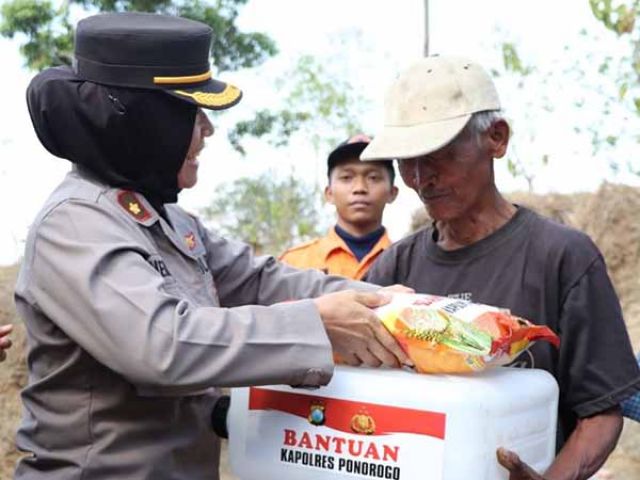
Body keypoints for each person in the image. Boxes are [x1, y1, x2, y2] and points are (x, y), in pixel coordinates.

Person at [15, 12, 411, 479]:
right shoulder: (77, 222)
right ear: (146, 124)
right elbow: (164, 345)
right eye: (191, 113)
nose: (207, 131)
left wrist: (382, 301)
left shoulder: (165, 218)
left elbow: (262, 279)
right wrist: (318, 325)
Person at [360, 55, 640, 480]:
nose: (420, 177)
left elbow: (600, 412)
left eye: (438, 153)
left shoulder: (564, 257)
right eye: (406, 160)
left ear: (497, 138)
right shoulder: (393, 268)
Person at [280, 134, 398, 280]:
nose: (359, 188)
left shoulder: (409, 262)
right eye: (346, 177)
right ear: (329, 193)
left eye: (373, 177)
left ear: (392, 193)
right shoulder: (294, 263)